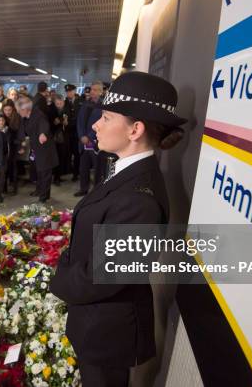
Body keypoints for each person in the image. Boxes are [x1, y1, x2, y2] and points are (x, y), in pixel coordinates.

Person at [50, 71, 186, 387]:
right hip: (97, 321)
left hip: (106, 332)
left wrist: (58, 278)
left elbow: (102, 277)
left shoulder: (140, 199)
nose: (96, 124)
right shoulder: (124, 170)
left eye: (107, 117)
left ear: (135, 129)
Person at [16, 96, 58, 203]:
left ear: (25, 109)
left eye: (19, 110)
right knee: (38, 172)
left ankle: (43, 198)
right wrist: (22, 143)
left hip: (45, 149)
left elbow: (44, 125)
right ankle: (40, 191)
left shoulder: (38, 114)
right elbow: (23, 131)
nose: (18, 112)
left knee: (45, 173)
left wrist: (42, 134)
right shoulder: (25, 116)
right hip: (36, 148)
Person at [75, 81, 104, 197]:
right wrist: (82, 135)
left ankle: (97, 190)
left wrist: (89, 136)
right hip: (83, 142)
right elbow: (79, 122)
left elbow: (102, 123)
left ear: (101, 92)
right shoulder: (85, 104)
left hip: (95, 142)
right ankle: (83, 189)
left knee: (97, 168)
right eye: (91, 89)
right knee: (83, 168)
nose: (92, 92)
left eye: (96, 90)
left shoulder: (103, 106)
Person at [49, 94, 70, 186]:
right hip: (54, 138)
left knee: (62, 157)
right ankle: (55, 177)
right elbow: (49, 124)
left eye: (60, 103)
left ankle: (59, 176)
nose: (59, 105)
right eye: (57, 103)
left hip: (64, 138)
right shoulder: (52, 111)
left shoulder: (67, 110)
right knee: (55, 158)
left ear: (63, 102)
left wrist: (66, 123)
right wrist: (54, 123)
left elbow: (69, 123)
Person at [1, 99, 21, 195]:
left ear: (13, 109)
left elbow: (20, 132)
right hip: (3, 146)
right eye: (6, 110)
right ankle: (3, 187)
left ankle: (14, 187)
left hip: (14, 145)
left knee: (13, 167)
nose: (8, 112)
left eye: (9, 110)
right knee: (4, 167)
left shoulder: (17, 117)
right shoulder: (0, 117)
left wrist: (21, 145)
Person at [64, 84, 81, 181]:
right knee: (68, 153)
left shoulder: (80, 102)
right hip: (67, 132)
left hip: (77, 132)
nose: (69, 93)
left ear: (74, 91)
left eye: (70, 91)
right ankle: (68, 170)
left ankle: (76, 173)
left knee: (76, 153)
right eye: (67, 92)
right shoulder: (65, 102)